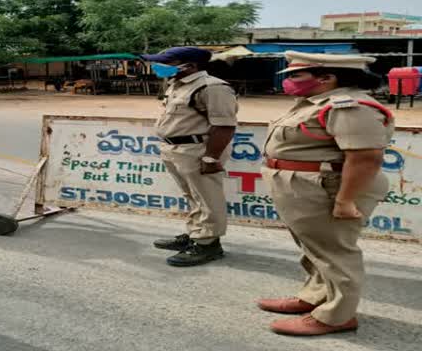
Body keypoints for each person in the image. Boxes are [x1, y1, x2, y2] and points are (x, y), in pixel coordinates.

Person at [257, 52, 393, 336]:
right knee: (315, 248)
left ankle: (337, 316)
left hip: (331, 188)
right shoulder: (314, 103)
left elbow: (366, 158)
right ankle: (315, 296)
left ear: (327, 78)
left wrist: (345, 200)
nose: (289, 81)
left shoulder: (350, 106)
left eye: (296, 75)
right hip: (306, 186)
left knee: (335, 253)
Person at [142, 47, 237, 267]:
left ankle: (208, 244)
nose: (158, 67)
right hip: (175, 149)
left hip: (198, 150)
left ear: (190, 65)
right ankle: (196, 233)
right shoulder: (176, 84)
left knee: (207, 197)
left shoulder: (213, 87)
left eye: (166, 62)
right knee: (193, 196)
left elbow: (224, 126)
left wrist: (211, 158)